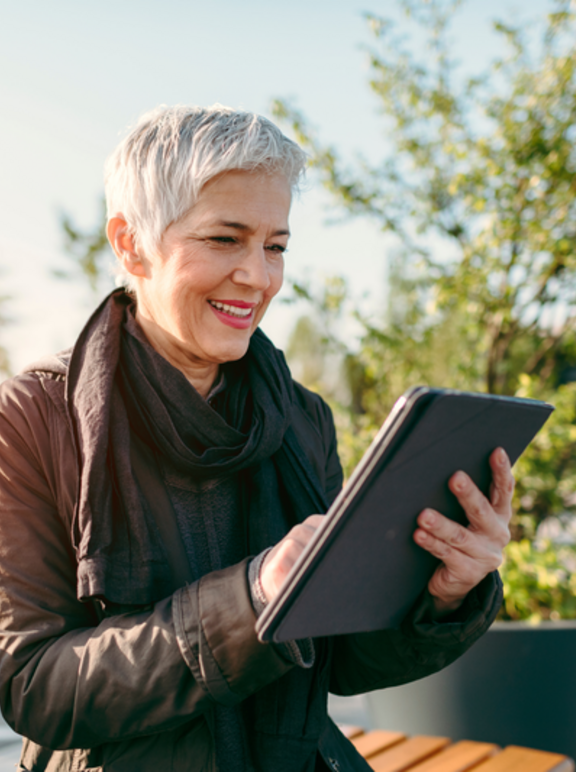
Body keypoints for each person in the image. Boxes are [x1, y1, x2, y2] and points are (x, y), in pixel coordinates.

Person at [0, 105, 513, 772]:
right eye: (224, 239)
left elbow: (340, 660)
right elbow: (34, 687)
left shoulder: (302, 417)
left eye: (276, 246)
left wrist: (443, 592)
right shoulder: (32, 419)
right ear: (129, 243)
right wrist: (253, 602)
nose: (259, 277)